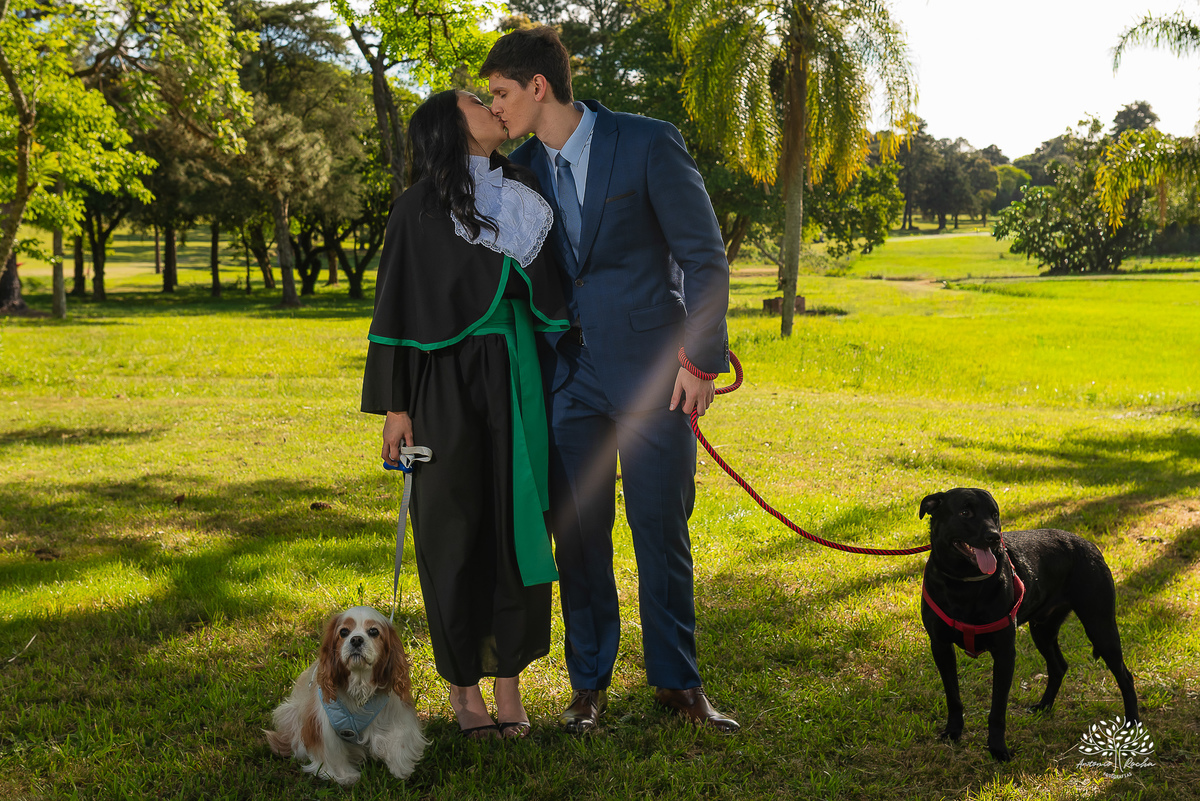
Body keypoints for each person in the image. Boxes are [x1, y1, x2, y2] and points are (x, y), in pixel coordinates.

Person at [481, 27, 739, 733]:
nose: (495, 107)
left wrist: (701, 361)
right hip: (567, 378)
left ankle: (677, 683)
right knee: (579, 537)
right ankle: (588, 685)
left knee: (661, 529)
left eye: (501, 92)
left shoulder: (648, 141)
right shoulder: (520, 169)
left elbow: (706, 258)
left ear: (538, 87)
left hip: (658, 378)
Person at [360, 89, 569, 740]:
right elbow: (393, 309)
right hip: (441, 383)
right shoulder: (416, 208)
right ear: (451, 127)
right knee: (452, 530)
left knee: (516, 524)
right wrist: (396, 408)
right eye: (478, 101)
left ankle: (508, 683)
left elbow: (552, 285)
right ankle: (464, 689)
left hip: (516, 373)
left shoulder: (524, 187)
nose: (492, 106)